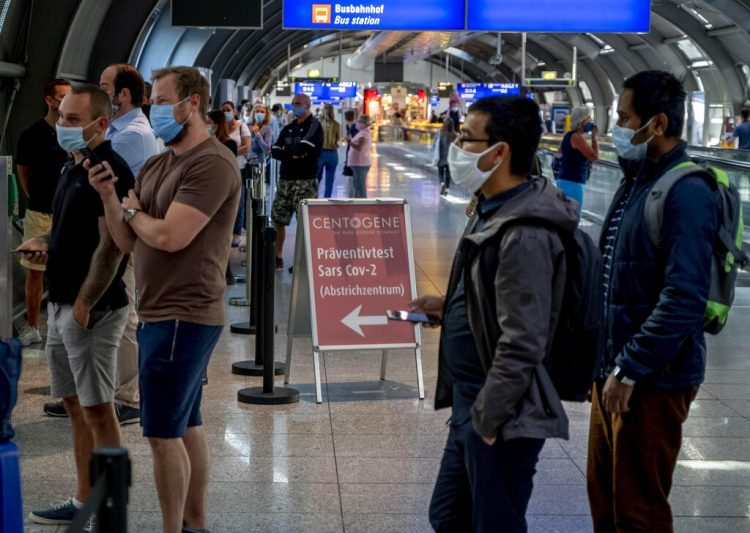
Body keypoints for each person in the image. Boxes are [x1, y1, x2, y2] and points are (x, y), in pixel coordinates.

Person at [411, 95, 574, 532]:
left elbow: (523, 339)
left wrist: (488, 417)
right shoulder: (491, 209)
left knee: (494, 523)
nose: (456, 145)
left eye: (466, 137)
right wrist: (451, 307)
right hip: (474, 400)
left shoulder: (525, 231)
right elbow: (500, 300)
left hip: (501, 412)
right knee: (449, 517)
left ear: (499, 151)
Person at [88, 66, 240, 533]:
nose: (153, 108)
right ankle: (193, 524)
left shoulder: (210, 164)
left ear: (192, 103)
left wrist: (136, 214)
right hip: (158, 311)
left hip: (184, 312)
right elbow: (129, 240)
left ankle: (174, 528)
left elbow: (172, 236)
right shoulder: (159, 163)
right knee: (185, 424)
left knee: (160, 434)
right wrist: (114, 199)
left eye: (161, 99)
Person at [587, 70, 719, 533]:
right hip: (614, 370)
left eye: (624, 117)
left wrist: (631, 368)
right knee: (607, 502)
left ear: (657, 123)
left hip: (651, 379)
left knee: (638, 511)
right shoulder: (638, 181)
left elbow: (685, 297)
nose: (615, 128)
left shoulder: (687, 191)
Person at [25, 84, 135, 532]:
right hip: (62, 302)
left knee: (98, 408)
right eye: (63, 116)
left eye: (74, 119)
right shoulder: (73, 167)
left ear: (100, 123)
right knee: (74, 404)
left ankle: (109, 510)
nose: (63, 126)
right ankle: (83, 497)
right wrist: (44, 245)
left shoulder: (107, 170)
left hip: (90, 308)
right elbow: (73, 234)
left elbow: (112, 247)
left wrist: (86, 303)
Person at [97, 62, 159, 426]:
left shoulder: (130, 134)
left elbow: (107, 183)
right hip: (110, 232)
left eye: (105, 87)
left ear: (123, 94)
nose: (99, 92)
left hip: (121, 234)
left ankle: (127, 396)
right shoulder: (120, 130)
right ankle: (100, 392)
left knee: (124, 317)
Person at [14, 78, 71, 347]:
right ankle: (32, 325)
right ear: (49, 100)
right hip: (40, 211)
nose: (66, 102)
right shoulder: (31, 135)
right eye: (62, 97)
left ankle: (70, 322)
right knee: (35, 270)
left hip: (68, 212)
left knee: (72, 267)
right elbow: (23, 172)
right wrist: (34, 198)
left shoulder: (73, 132)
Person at [270, 92, 322, 270]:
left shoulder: (314, 126)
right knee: (278, 220)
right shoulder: (289, 127)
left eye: (298, 103)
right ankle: (277, 257)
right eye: (293, 103)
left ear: (307, 105)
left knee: (305, 223)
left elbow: (306, 148)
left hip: (305, 181)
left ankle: (303, 261)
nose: (294, 106)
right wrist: (295, 154)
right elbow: (275, 150)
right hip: (285, 180)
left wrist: (288, 153)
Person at [556, 105, 599, 219]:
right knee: (573, 217)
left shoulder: (568, 136)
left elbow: (559, 153)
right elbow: (594, 157)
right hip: (573, 181)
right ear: (582, 121)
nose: (591, 122)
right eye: (589, 118)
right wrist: (594, 137)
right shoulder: (577, 137)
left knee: (565, 216)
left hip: (564, 179)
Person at [221, 100, 251, 247]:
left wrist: (231, 153)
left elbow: (246, 146)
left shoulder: (242, 127)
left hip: (239, 168)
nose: (226, 112)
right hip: (223, 168)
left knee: (239, 201)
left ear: (234, 111)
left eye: (228, 109)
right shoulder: (220, 128)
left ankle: (237, 233)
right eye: (223, 110)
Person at [317, 103, 341, 198]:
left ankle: (314, 199)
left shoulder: (318, 123)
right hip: (332, 154)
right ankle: (326, 200)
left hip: (321, 153)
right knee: (330, 179)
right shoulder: (336, 124)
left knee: (317, 178)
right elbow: (337, 138)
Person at [347, 114, 373, 198]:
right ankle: (359, 203)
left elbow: (360, 148)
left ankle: (361, 204)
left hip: (361, 164)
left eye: (359, 121)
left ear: (364, 123)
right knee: (357, 185)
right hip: (358, 163)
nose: (357, 123)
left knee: (359, 187)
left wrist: (350, 142)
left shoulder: (364, 134)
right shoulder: (362, 133)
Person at [434, 118, 457, 196]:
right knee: (448, 174)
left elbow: (435, 144)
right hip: (450, 158)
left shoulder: (440, 133)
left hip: (441, 157)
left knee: (440, 173)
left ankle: (442, 183)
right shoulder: (454, 134)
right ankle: (447, 189)